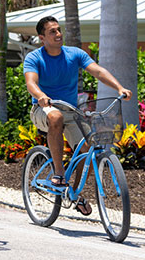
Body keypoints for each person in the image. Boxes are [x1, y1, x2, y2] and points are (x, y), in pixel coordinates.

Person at [23, 15, 132, 216]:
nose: (58, 34)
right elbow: (31, 82)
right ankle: (58, 173)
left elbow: (98, 71)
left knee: (88, 148)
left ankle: (75, 192)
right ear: (42, 38)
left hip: (71, 111)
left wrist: (119, 87)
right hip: (43, 108)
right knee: (56, 117)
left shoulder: (74, 54)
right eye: (52, 32)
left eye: (58, 30)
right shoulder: (34, 58)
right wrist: (41, 96)